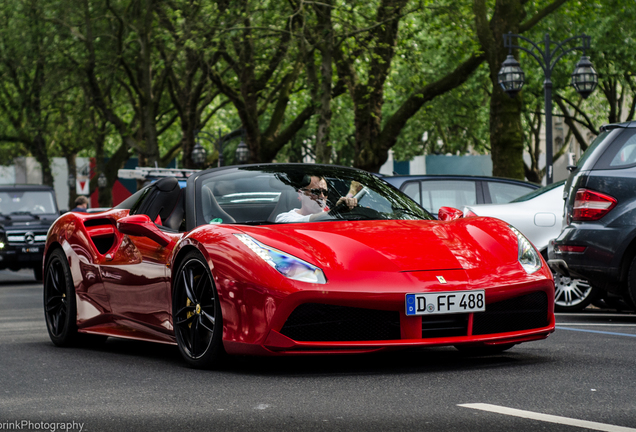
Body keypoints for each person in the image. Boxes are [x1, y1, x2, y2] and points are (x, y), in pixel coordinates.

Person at [275, 175, 357, 223]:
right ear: (301, 194)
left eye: (325, 193)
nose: (322, 196)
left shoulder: (334, 217)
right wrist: (333, 212)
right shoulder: (284, 218)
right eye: (316, 192)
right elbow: (304, 221)